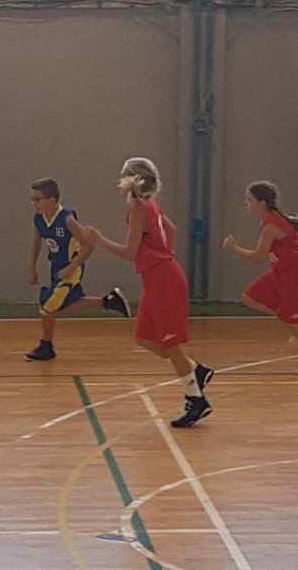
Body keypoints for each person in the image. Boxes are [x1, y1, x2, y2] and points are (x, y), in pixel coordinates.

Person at [83, 157, 214, 427]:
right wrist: (165, 253)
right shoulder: (148, 205)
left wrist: (98, 240)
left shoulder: (139, 210)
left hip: (164, 279)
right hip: (158, 277)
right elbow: (171, 229)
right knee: (144, 337)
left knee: (170, 344)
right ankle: (195, 370)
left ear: (130, 179)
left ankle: (195, 399)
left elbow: (129, 252)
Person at [222, 181, 298, 376]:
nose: (246, 203)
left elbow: (257, 257)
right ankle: (294, 317)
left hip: (297, 274)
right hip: (280, 272)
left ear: (262, 203)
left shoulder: (271, 225)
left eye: (249, 200)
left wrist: (234, 248)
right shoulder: (273, 218)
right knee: (249, 297)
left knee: (293, 323)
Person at [24, 177, 130, 361]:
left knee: (47, 306)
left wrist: (71, 267)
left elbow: (89, 246)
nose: (34, 203)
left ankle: (46, 346)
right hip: (56, 268)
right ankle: (109, 301)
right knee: (63, 307)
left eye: (37, 199)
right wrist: (32, 267)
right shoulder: (39, 219)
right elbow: (36, 243)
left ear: (52, 200)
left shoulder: (66, 219)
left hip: (72, 269)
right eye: (32, 199)